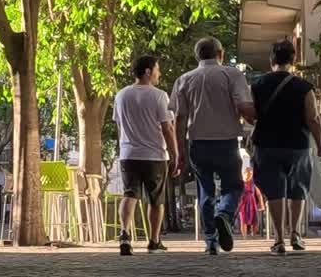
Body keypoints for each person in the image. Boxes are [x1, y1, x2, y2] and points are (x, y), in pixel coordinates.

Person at [171, 38, 257, 255]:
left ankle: (210, 240)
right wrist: (258, 118)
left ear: (197, 56)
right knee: (234, 186)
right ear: (221, 53)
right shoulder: (232, 75)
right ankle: (224, 214)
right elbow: (243, 106)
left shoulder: (184, 80)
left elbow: (180, 118)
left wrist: (179, 151)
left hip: (198, 144)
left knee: (205, 190)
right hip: (227, 142)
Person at [250, 41, 321, 255]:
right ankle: (295, 234)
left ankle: (278, 239)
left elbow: (252, 115)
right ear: (293, 59)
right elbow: (312, 118)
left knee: (274, 191)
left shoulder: (258, 85)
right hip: (298, 145)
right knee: (298, 189)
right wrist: (320, 145)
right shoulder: (304, 86)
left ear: (271, 59)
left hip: (267, 145)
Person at [112, 56, 179, 256]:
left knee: (130, 194)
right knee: (156, 200)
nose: (159, 73)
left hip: (128, 154)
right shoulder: (159, 96)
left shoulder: (121, 95)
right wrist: (175, 154)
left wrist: (124, 147)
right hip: (154, 155)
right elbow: (167, 128)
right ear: (148, 72)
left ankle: (125, 234)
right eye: (157, 69)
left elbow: (119, 126)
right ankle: (154, 241)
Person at [237, 167, 265, 238]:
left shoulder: (253, 184)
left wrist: (262, 205)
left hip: (252, 204)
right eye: (248, 174)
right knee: (243, 220)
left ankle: (253, 235)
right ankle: (244, 236)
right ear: (244, 174)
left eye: (251, 174)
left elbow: (259, 195)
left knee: (255, 220)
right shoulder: (240, 183)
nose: (249, 175)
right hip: (243, 204)